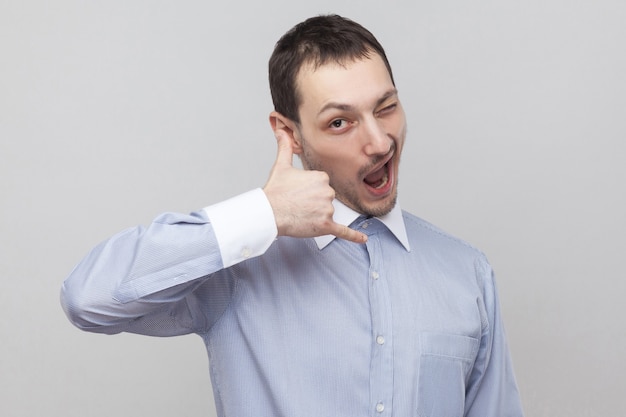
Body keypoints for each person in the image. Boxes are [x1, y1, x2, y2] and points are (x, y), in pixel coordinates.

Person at [61, 14, 524, 417]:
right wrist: (263, 212)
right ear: (290, 134)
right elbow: (89, 299)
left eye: (386, 108)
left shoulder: (468, 273)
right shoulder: (239, 268)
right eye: (339, 122)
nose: (380, 142)